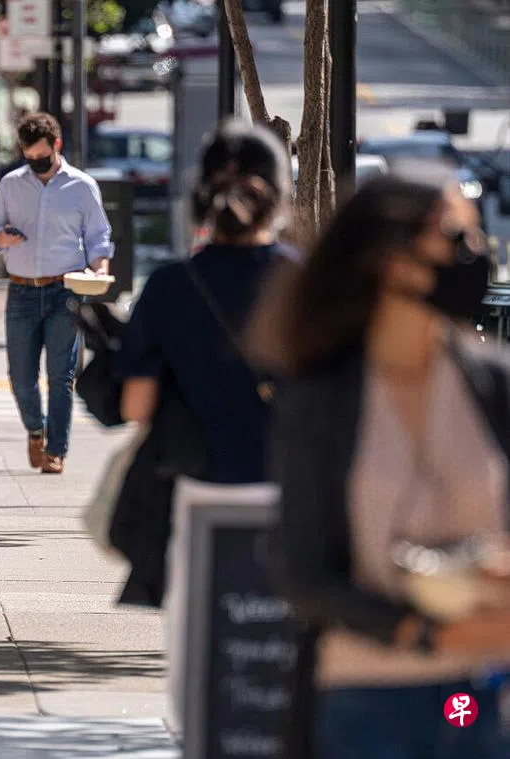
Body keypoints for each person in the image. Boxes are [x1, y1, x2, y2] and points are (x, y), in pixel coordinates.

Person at [253, 163, 510, 758]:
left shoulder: (490, 384)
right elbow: (302, 570)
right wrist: (425, 634)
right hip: (366, 697)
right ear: (392, 259)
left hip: (474, 695)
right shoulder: (323, 396)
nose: (474, 255)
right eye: (455, 237)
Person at [116, 118, 294, 484]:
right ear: (278, 196)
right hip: (294, 494)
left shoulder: (168, 288)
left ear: (200, 196)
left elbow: (135, 405)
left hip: (195, 491)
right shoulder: (311, 283)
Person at [0, 112, 113, 474]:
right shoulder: (11, 184)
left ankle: (56, 449)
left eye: (41, 155)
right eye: (29, 156)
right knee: (21, 377)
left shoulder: (82, 186)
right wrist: (0, 238)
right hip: (21, 291)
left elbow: (98, 234)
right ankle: (35, 429)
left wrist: (100, 266)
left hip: (64, 290)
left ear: (56, 145)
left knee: (62, 375)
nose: (36, 163)